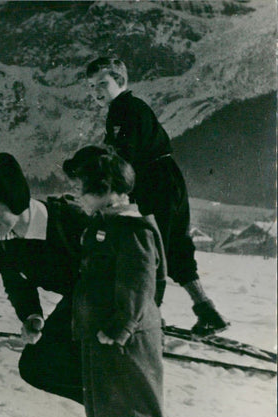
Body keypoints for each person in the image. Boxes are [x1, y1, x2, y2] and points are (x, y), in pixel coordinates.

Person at [0, 152, 177, 417]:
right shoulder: (0, 235)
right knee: (38, 366)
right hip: (80, 302)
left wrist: (134, 318)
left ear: (13, 199)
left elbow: (139, 264)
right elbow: (15, 281)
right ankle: (105, 415)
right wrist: (31, 315)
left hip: (113, 305)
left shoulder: (71, 220)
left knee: (78, 363)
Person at [84, 56, 227, 336]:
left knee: (148, 251)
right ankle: (207, 311)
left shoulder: (122, 109)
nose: (96, 91)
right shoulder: (132, 107)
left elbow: (123, 157)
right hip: (169, 178)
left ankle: (147, 321)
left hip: (152, 182)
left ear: (121, 81)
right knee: (174, 245)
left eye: (102, 83)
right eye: (91, 86)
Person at [71, 147, 167, 417]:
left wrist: (123, 325)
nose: (78, 194)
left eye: (82, 186)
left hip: (125, 336)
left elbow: (141, 282)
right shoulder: (106, 223)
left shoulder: (132, 227)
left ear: (105, 187)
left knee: (131, 409)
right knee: (106, 413)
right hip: (104, 334)